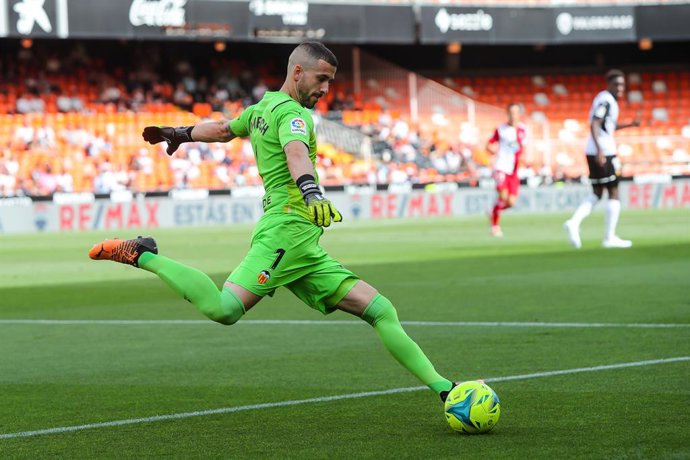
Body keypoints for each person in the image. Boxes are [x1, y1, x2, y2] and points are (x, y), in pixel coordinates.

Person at [88, 41, 457, 403]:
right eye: (321, 79)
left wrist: (181, 134)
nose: (326, 89)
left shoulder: (261, 109)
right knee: (224, 308)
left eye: (330, 81)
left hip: (301, 243)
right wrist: (310, 191)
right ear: (297, 72)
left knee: (380, 310)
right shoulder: (293, 115)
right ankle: (143, 253)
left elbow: (221, 130)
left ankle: (445, 390)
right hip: (287, 229)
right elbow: (296, 152)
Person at [564, 69, 641, 249]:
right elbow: (595, 123)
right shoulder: (606, 99)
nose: (620, 88)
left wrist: (630, 124)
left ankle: (574, 222)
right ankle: (609, 237)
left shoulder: (607, 100)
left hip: (596, 150)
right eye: (617, 84)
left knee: (597, 193)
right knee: (613, 192)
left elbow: (608, 126)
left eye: (622, 85)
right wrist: (600, 150)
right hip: (604, 152)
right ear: (609, 85)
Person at [486, 103, 527, 237]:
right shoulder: (501, 129)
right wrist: (491, 150)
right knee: (503, 197)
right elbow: (489, 144)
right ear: (507, 114)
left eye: (516, 112)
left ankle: (493, 211)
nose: (513, 115)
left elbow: (523, 147)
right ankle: (495, 226)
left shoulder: (523, 129)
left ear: (519, 114)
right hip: (501, 167)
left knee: (511, 202)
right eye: (511, 112)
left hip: (514, 170)